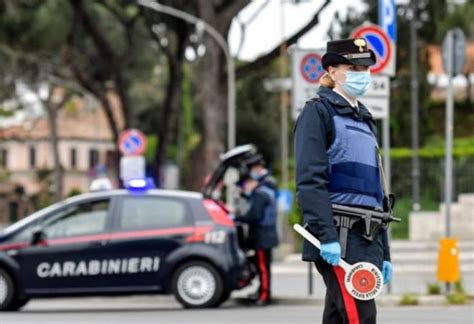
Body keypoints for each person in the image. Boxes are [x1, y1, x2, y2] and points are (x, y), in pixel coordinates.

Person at [294, 38, 393, 324]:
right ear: (332, 70)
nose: (362, 74)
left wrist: (384, 251)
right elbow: (310, 180)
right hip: (340, 236)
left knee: (340, 317)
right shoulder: (318, 112)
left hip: (368, 236)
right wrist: (326, 236)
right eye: (353, 67)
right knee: (360, 317)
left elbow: (377, 193)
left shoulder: (364, 119)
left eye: (365, 68)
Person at [235, 170, 279, 306]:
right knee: (261, 267)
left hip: (263, 236)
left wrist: (237, 218)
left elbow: (254, 216)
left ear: (251, 182)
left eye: (245, 184)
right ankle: (262, 292)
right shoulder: (261, 193)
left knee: (263, 268)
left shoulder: (260, 195)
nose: (244, 187)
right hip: (264, 236)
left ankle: (265, 296)